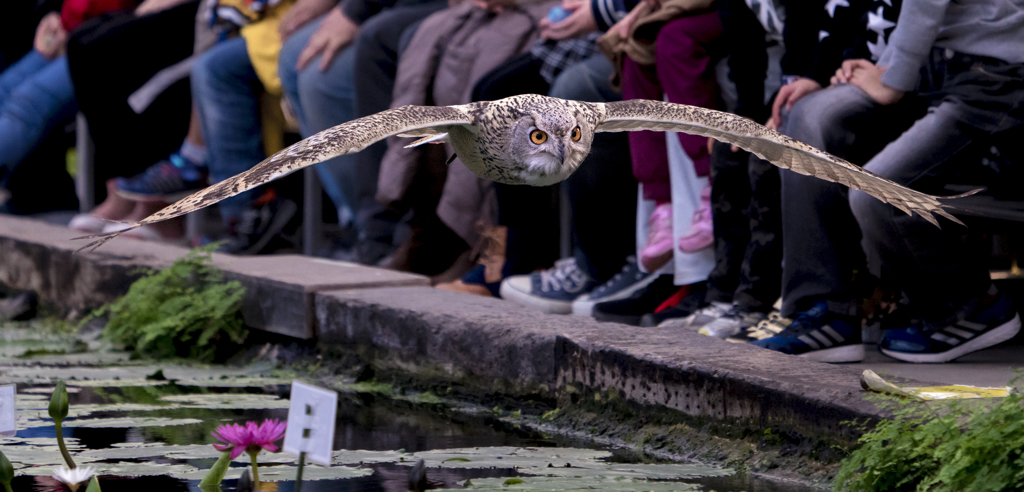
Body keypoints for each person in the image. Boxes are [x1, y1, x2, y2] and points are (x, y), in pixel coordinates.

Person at [752, 0, 1024, 363]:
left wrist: (893, 79)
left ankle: (967, 306)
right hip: (931, 69)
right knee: (811, 116)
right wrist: (875, 64)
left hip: (988, 74)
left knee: (876, 193)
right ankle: (825, 311)